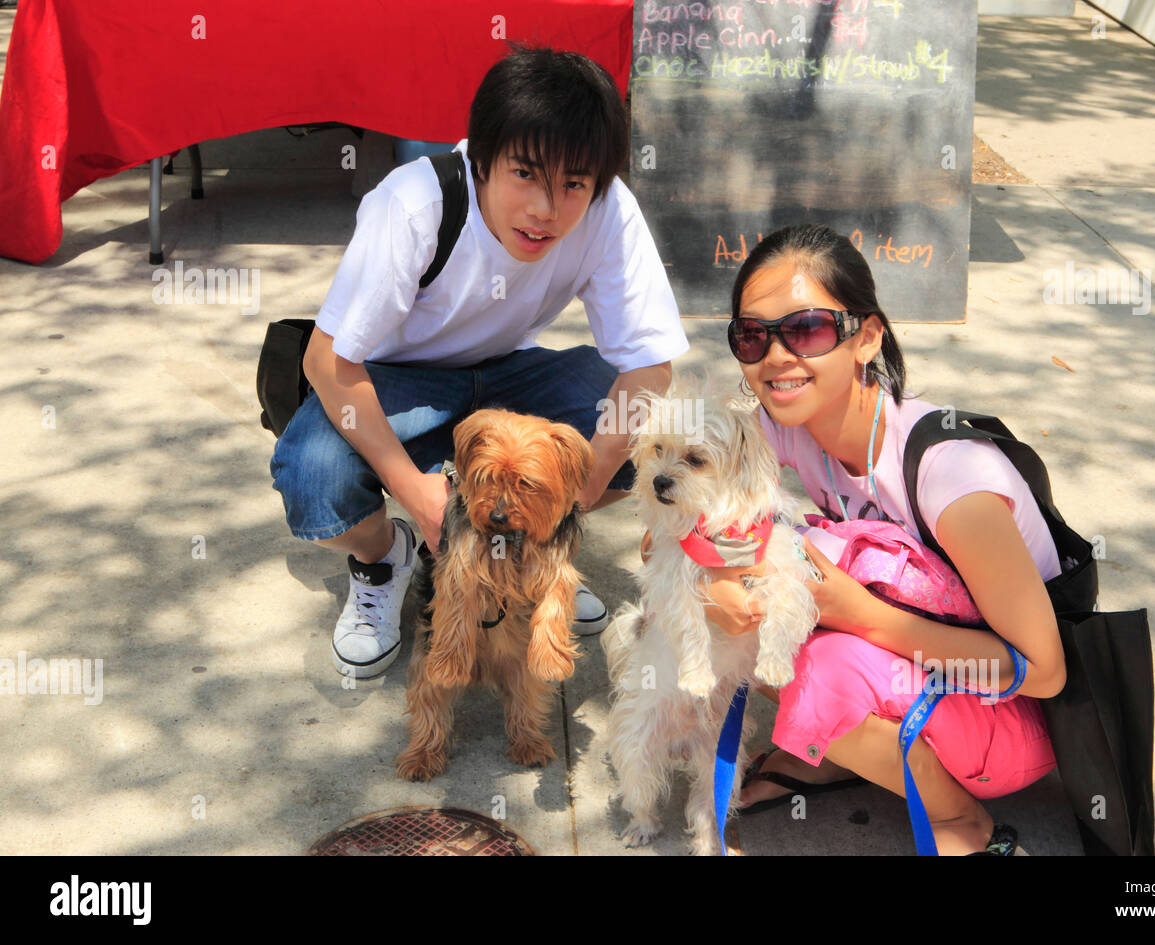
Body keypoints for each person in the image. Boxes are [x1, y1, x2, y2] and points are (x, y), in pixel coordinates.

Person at [270, 47, 687, 679]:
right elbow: (328, 360)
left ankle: (526, 564)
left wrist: (578, 492)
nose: (547, 210)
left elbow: (650, 368)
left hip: (512, 374)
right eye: (526, 175)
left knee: (651, 441)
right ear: (483, 158)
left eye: (574, 184)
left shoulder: (608, 211)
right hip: (395, 382)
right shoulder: (414, 204)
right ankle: (385, 558)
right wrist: (418, 497)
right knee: (313, 479)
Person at [710, 224, 1065, 855]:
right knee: (729, 609)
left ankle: (957, 817)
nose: (776, 356)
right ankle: (844, 752)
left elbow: (1041, 672)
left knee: (806, 655)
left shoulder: (952, 477)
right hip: (924, 668)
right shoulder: (787, 425)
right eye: (752, 334)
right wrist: (719, 587)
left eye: (809, 329)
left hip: (1012, 717)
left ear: (866, 337)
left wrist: (857, 613)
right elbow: (702, 526)